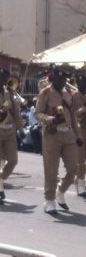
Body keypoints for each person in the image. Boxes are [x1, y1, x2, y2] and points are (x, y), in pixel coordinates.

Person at [35, 68, 83, 214]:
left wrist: (78, 134)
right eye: (60, 79)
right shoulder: (45, 93)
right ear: (53, 78)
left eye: (64, 80)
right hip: (52, 135)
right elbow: (37, 113)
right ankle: (49, 201)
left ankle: (60, 191)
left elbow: (73, 116)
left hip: (68, 135)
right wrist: (51, 119)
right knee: (51, 170)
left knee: (73, 168)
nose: (62, 82)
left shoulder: (68, 93)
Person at [0, 68, 25, 205]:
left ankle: (0, 180)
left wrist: (21, 129)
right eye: (2, 77)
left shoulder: (9, 93)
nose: (4, 80)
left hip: (9, 131)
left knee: (13, 161)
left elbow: (16, 112)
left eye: (6, 77)